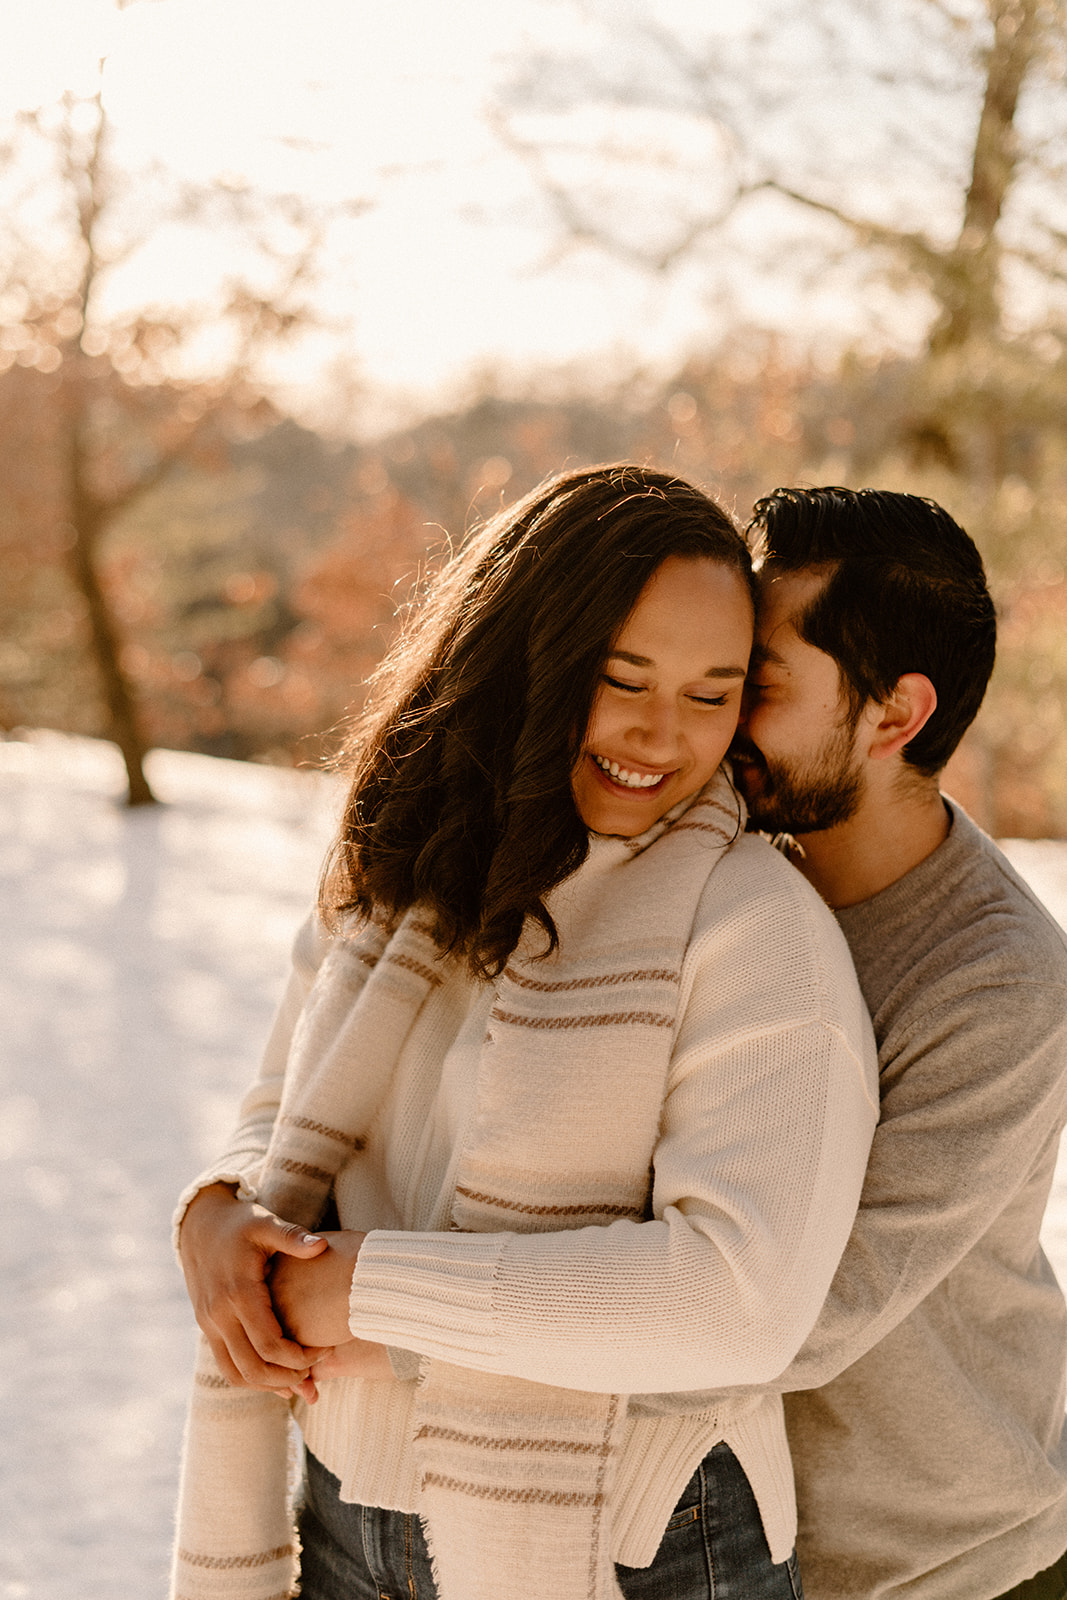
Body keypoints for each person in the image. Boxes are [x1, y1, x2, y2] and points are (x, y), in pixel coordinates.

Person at [171, 464, 878, 1600]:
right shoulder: (398, 873)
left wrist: (370, 1290)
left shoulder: (750, 927)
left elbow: (734, 1302)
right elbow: (279, 1109)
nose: (664, 735)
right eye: (622, 678)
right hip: (346, 1511)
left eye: (713, 693)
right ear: (524, 662)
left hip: (640, 1535)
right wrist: (217, 1215)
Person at [726, 485, 1067, 1600]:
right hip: (748, 1552)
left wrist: (421, 1332)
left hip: (947, 1568)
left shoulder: (996, 979)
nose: (719, 714)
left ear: (891, 717)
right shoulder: (737, 864)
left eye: (759, 684)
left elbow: (807, 1317)